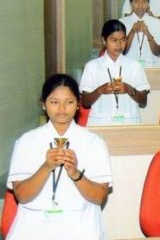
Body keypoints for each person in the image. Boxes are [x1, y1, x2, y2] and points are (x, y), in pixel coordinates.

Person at [6, 74, 112, 240]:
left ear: (78, 104)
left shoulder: (94, 142)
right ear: (43, 104)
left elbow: (99, 197)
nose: (62, 109)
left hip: (80, 225)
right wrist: (46, 167)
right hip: (34, 226)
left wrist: (75, 173)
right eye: (54, 102)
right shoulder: (26, 141)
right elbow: (22, 195)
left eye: (69, 102)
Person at [80, 19, 150, 125]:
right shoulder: (92, 67)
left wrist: (129, 89)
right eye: (114, 40)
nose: (119, 45)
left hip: (129, 123)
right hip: (101, 124)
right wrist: (100, 90)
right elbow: (85, 102)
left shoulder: (135, 66)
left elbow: (143, 100)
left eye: (123, 40)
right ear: (104, 40)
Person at [120, 0, 160, 67]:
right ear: (131, 4)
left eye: (144, 1)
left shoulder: (157, 23)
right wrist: (132, 31)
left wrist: (148, 34)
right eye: (136, 1)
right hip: (128, 67)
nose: (140, 5)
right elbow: (122, 51)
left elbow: (157, 52)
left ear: (148, 4)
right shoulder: (122, 22)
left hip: (151, 66)